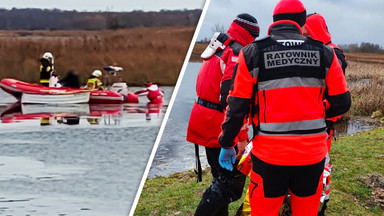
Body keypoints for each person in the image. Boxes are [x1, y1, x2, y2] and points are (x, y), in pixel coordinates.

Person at [218, 1, 351, 215]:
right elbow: (342, 103)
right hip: (312, 155)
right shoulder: (325, 53)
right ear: (302, 21)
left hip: (269, 157)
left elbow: (237, 106)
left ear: (274, 21)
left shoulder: (252, 52)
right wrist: (316, 112)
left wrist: (226, 142)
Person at [186, 13, 260, 216]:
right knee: (229, 185)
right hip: (219, 125)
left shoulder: (219, 48)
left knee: (220, 178)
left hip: (203, 119)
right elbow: (233, 100)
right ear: (251, 35)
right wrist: (241, 138)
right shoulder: (237, 54)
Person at [303, 13, 348, 216]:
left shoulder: (332, 54)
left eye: (305, 31)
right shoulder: (320, 51)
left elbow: (336, 95)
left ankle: (320, 204)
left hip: (323, 121)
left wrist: (314, 106)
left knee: (321, 165)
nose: (302, 35)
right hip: (314, 120)